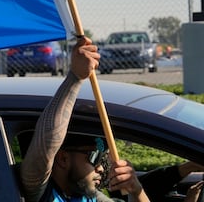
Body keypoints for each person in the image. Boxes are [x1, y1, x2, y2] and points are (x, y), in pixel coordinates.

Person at [19, 37, 150, 202]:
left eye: (102, 159)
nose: (101, 168)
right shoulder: (41, 193)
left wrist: (136, 190)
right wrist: (75, 77)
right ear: (63, 159)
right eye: (94, 157)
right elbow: (46, 144)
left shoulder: (89, 196)